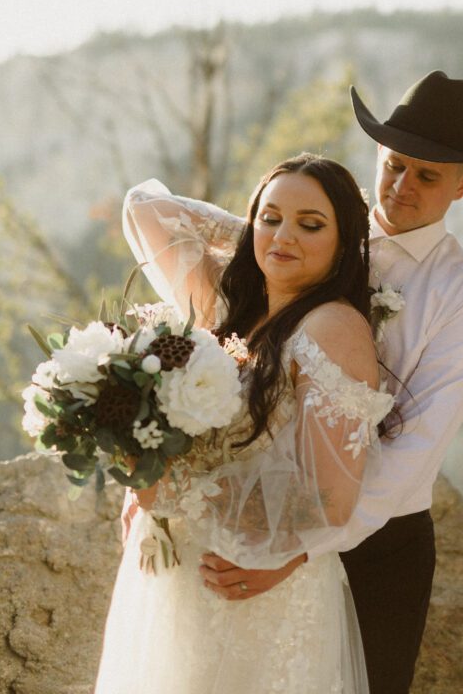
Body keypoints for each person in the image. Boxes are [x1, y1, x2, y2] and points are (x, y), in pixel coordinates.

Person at [181, 71, 463, 694]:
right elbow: (221, 247)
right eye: (395, 165)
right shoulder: (319, 231)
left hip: (381, 541)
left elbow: (416, 447)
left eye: (427, 176)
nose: (402, 186)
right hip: (270, 512)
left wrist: (306, 544)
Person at [94, 154, 394, 694]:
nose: (285, 234)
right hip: (182, 578)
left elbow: (332, 500)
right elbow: (145, 207)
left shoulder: (333, 327)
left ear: (345, 240)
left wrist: (178, 490)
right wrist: (263, 241)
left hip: (258, 587)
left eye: (312, 224)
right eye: (271, 216)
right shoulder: (231, 314)